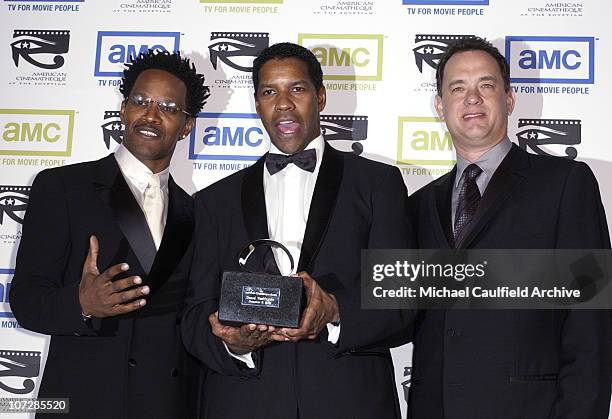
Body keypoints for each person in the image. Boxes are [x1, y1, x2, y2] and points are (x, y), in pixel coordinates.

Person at [181, 42, 412, 418]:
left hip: (348, 401)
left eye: (297, 89)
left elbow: (401, 300)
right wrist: (234, 345)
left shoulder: (377, 184)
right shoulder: (214, 202)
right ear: (257, 104)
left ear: (320, 97)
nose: (283, 103)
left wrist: (336, 311)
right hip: (244, 402)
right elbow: (194, 316)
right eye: (269, 92)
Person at [408, 36, 611, 418]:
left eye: (486, 85)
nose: (472, 98)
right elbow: (399, 313)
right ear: (440, 106)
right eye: (458, 88)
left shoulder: (565, 183)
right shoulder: (418, 206)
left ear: (510, 99)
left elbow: (592, 323)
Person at [10, 50, 209, 419]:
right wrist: (82, 304)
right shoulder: (64, 187)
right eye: (140, 101)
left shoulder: (196, 212)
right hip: (86, 401)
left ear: (186, 126)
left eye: (168, 106)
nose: (151, 115)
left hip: (167, 405)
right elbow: (26, 300)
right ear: (123, 109)